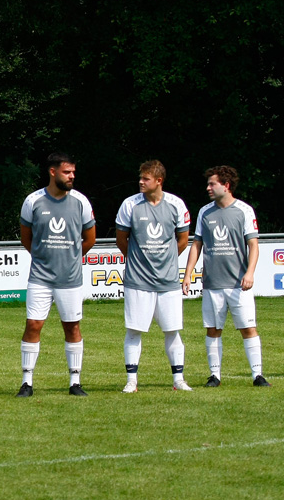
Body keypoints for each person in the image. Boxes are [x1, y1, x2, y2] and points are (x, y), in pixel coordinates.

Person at [16, 153, 96, 397]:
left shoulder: (81, 201)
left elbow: (89, 238)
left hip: (69, 279)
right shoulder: (33, 201)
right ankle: (27, 382)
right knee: (33, 325)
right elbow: (26, 237)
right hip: (40, 277)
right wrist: (42, 257)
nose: (72, 176)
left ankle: (75, 382)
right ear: (52, 172)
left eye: (73, 172)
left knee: (72, 327)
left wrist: (71, 257)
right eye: (67, 172)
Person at [181, 166, 268, 387]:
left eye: (212, 184)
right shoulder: (204, 212)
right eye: (208, 184)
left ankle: (257, 375)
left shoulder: (245, 211)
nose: (208, 188)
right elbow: (197, 244)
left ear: (226, 185)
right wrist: (188, 274)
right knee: (213, 329)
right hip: (212, 284)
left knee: (248, 328)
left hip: (239, 284)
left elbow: (253, 245)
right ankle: (215, 375)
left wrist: (249, 273)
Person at [115, 160, 192, 392]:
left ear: (158, 181)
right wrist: (139, 262)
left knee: (172, 330)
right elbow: (122, 240)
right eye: (140, 177)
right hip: (138, 281)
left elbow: (183, 240)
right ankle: (132, 381)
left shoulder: (177, 204)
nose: (140, 181)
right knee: (134, 330)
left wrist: (166, 260)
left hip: (168, 281)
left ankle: (178, 380)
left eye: (145, 178)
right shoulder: (130, 204)